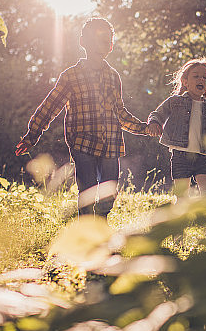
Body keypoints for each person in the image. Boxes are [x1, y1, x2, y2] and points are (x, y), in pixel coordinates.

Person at [15, 17, 159, 217]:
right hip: (82, 144)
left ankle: (101, 224)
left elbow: (120, 112)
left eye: (107, 40)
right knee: (88, 190)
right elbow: (50, 107)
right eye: (97, 39)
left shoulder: (113, 76)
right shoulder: (70, 76)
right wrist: (32, 134)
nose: (103, 44)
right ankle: (87, 230)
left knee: (109, 191)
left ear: (111, 46)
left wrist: (144, 128)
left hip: (111, 144)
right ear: (83, 42)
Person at [146, 58, 206, 196]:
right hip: (180, 157)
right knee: (182, 196)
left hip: (204, 158)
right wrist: (154, 123)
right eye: (196, 76)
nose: (200, 79)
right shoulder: (175, 102)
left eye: (204, 77)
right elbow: (157, 114)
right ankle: (183, 217)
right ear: (185, 81)